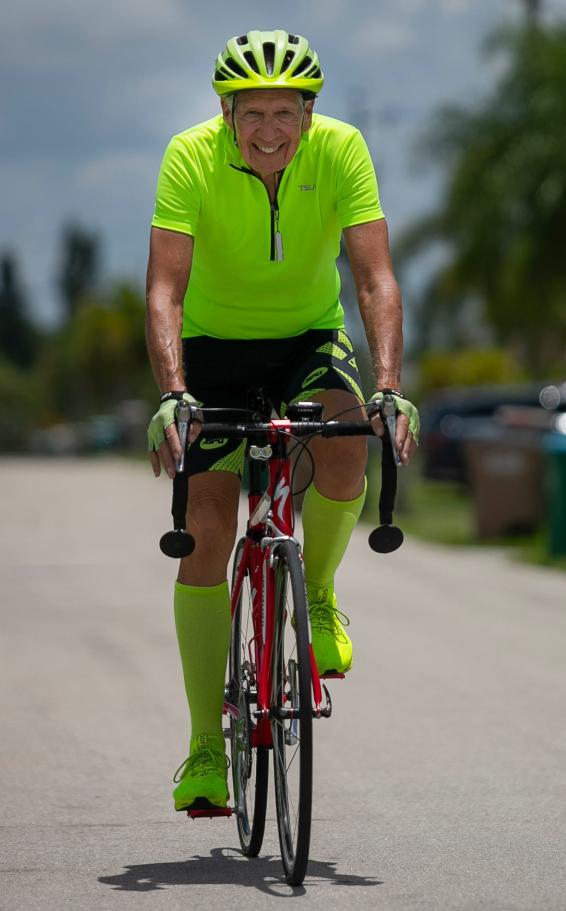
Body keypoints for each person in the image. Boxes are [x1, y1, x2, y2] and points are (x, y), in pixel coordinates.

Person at [145, 29, 420, 814]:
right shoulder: (187, 156)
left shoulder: (343, 151)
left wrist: (390, 386)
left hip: (307, 339)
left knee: (346, 442)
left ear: (309, 113)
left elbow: (375, 280)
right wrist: (173, 391)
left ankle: (321, 592)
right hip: (210, 348)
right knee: (205, 527)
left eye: (286, 113)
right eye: (252, 112)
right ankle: (205, 746)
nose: (269, 130)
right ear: (226, 113)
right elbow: (164, 290)